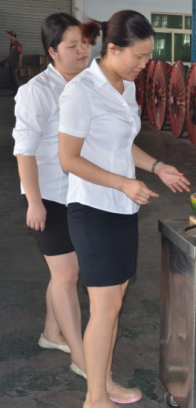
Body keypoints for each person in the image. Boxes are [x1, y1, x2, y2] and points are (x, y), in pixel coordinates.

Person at [58, 10, 190, 408]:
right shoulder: (81, 92)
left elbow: (122, 144)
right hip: (92, 209)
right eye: (138, 56)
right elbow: (69, 159)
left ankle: (105, 383)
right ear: (112, 49)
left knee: (114, 304)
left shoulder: (124, 87)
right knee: (104, 306)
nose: (144, 65)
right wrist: (121, 183)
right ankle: (94, 402)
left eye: (148, 57)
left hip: (121, 208)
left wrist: (156, 166)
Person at [13, 13, 89, 378]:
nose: (82, 51)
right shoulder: (36, 92)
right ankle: (80, 355)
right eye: (72, 45)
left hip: (80, 193)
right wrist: (34, 202)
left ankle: (51, 332)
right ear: (52, 52)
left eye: (85, 43)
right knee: (68, 275)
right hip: (50, 196)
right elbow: (24, 150)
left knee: (62, 273)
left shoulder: (88, 85)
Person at [2, 30, 23, 96]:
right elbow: (11, 54)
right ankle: (15, 91)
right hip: (11, 63)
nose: (8, 37)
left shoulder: (18, 43)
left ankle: (18, 93)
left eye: (9, 35)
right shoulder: (11, 44)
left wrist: (19, 62)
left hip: (15, 64)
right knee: (12, 78)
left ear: (13, 36)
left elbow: (20, 53)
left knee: (14, 77)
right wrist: (6, 60)